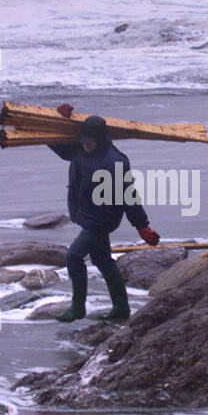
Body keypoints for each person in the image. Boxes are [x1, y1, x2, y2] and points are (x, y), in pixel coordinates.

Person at [47, 104, 159, 321]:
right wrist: (57, 121)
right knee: (102, 260)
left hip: (102, 218)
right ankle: (121, 308)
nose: (85, 145)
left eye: (89, 142)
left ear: (100, 138)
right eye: (83, 141)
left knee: (74, 257)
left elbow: (129, 195)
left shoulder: (114, 161)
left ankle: (77, 308)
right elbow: (61, 148)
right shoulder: (81, 149)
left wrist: (142, 226)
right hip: (87, 213)